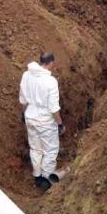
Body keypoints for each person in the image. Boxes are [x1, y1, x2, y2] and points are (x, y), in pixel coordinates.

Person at [19, 52, 63, 192]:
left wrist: (23, 113)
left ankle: (37, 175)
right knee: (51, 149)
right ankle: (46, 178)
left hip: (30, 116)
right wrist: (60, 123)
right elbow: (53, 108)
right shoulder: (51, 82)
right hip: (45, 120)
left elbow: (23, 98)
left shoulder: (27, 75)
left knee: (35, 148)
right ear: (50, 63)